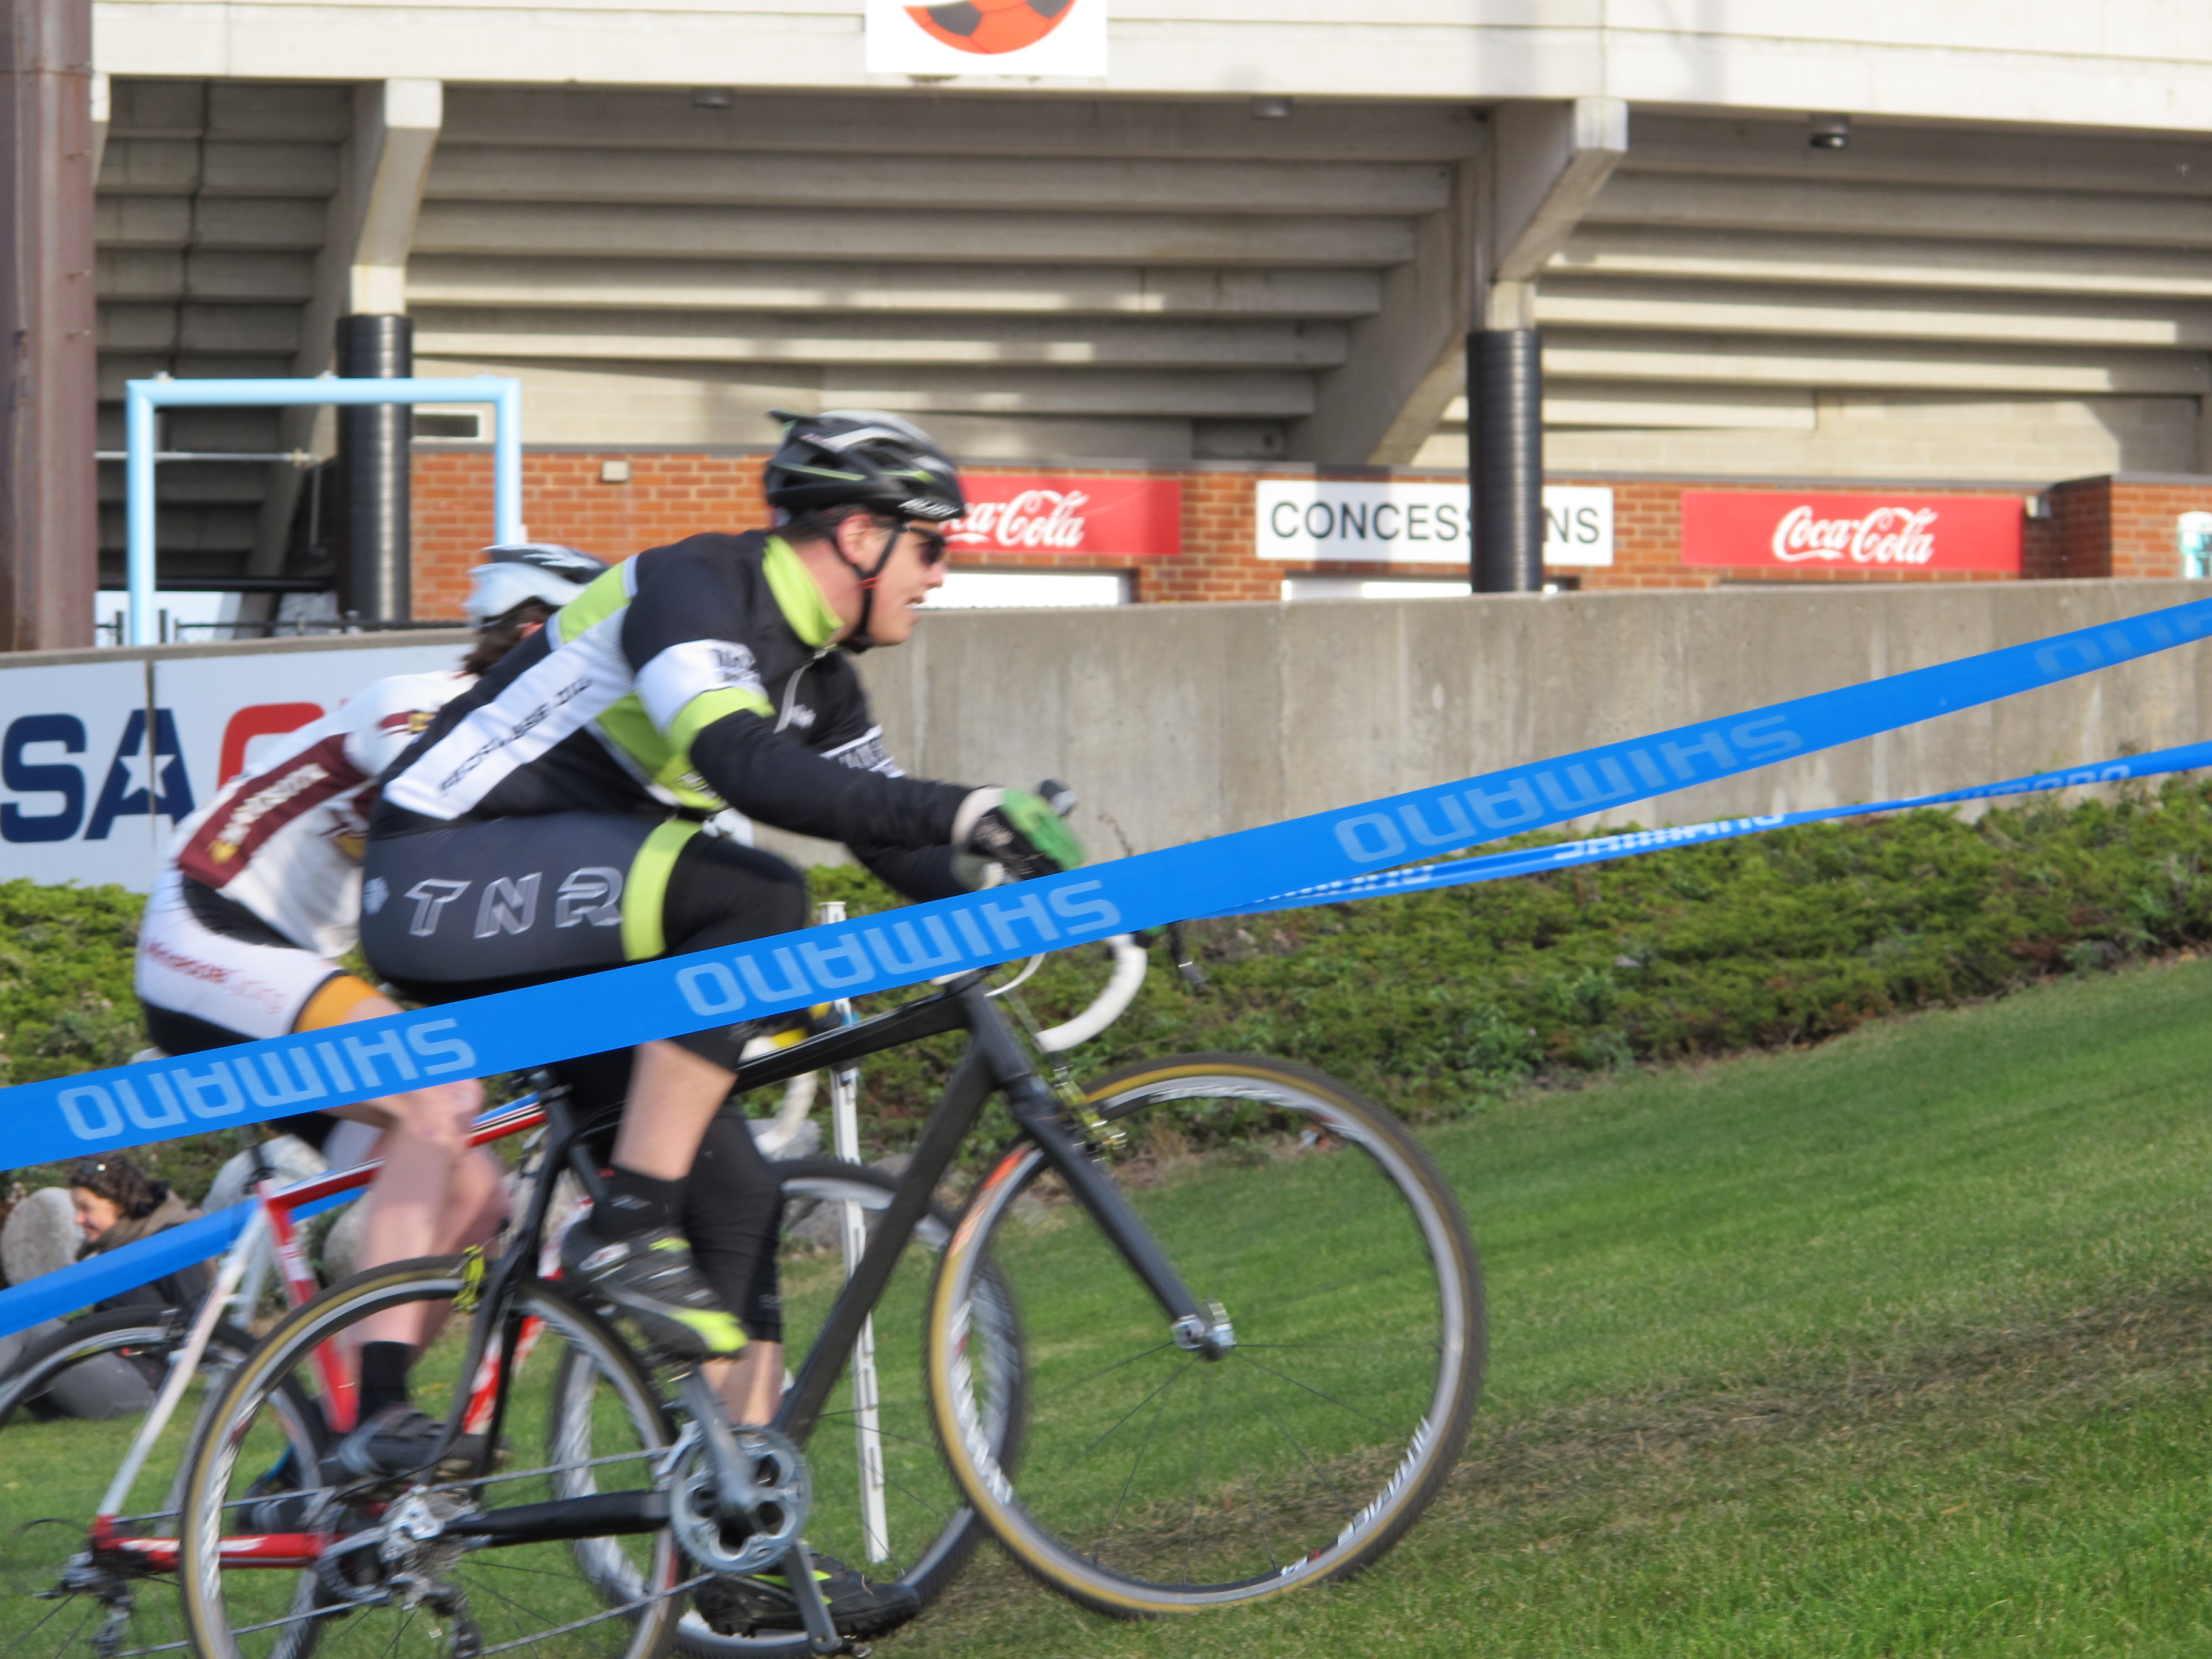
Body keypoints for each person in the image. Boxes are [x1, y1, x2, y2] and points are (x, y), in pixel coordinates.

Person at [360, 410, 1084, 1638]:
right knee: (752, 895)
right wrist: (964, 804)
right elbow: (746, 769)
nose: (941, 576)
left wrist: (1040, 889)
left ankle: (734, 1554)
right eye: (931, 547)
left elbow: (886, 837)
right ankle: (625, 1228)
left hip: (558, 921)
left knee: (741, 1200)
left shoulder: (823, 676)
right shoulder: (695, 588)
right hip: (437, 875)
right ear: (858, 534)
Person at [131, 543, 610, 1476]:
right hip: (207, 932)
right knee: (440, 1093)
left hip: (280, 967)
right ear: (532, 637)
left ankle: (315, 1470)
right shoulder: (422, 705)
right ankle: (382, 1412)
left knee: (477, 1197)